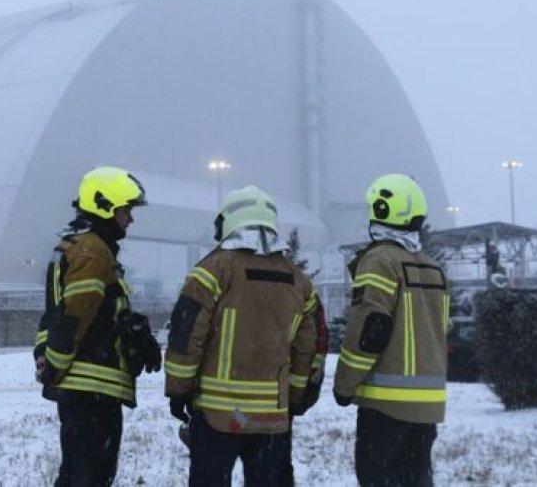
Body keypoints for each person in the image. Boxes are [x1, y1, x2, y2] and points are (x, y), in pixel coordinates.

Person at [164, 185, 325, 486]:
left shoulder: (212, 271)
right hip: (273, 419)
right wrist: (295, 397)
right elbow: (308, 350)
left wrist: (178, 389)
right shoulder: (299, 281)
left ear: (228, 222)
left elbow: (186, 337)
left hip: (217, 415)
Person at [34, 166, 162, 486]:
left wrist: (133, 332)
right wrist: (55, 365)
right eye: (126, 209)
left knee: (78, 474)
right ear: (105, 206)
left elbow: (59, 313)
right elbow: (75, 316)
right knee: (89, 477)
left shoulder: (76, 245)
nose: (130, 218)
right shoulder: (93, 251)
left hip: (85, 389)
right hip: (92, 389)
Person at [333, 174, 449, 487]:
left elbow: (369, 330)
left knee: (377, 479)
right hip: (428, 408)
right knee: (416, 479)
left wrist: (344, 385)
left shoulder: (379, 261)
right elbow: (442, 329)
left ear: (383, 211)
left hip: (385, 407)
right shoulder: (432, 267)